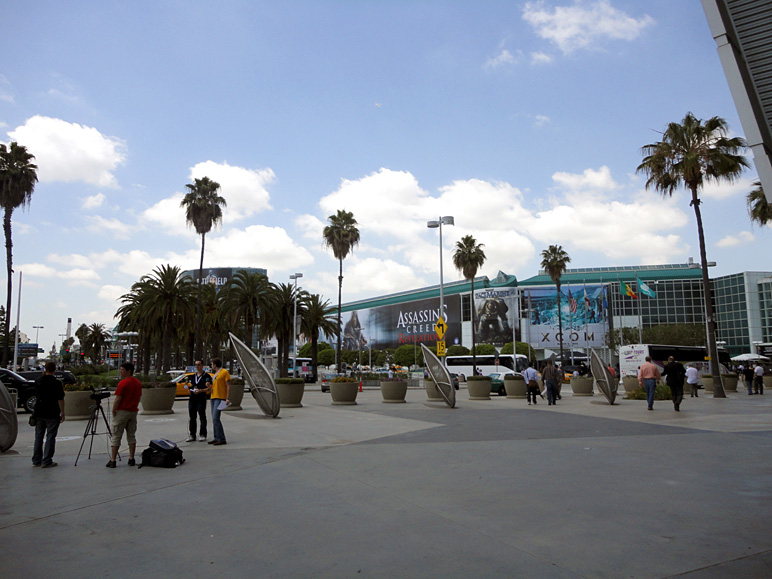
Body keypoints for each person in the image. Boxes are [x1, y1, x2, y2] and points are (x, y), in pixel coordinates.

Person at [107, 361, 142, 468]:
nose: (120, 371)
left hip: (122, 411)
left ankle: (113, 460)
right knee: (131, 436)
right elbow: (139, 397)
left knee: (116, 435)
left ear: (128, 371)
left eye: (122, 369)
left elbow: (118, 398)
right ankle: (131, 458)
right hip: (133, 411)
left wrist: (114, 410)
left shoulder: (123, 383)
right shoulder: (137, 383)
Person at [31, 361, 65, 468]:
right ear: (55, 369)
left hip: (39, 411)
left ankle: (36, 459)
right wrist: (62, 412)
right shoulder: (57, 383)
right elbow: (60, 398)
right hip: (52, 411)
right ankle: (47, 460)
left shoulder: (38, 381)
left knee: (38, 436)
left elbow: (36, 395)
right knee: (50, 436)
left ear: (45, 369)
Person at [206, 357, 230, 446]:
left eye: (212, 364)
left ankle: (221, 438)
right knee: (214, 418)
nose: (211, 365)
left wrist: (227, 398)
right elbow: (216, 386)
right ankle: (216, 437)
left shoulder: (224, 372)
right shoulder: (215, 374)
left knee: (216, 418)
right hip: (213, 396)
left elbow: (228, 385)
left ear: (215, 364)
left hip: (220, 397)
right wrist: (209, 386)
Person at [187, 359, 212, 442]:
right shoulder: (193, 376)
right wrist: (189, 390)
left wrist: (201, 390)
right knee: (192, 417)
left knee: (202, 416)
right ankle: (192, 434)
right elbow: (190, 385)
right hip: (192, 398)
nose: (197, 366)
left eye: (198, 365)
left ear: (202, 366)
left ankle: (203, 434)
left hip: (201, 398)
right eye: (196, 365)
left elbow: (209, 388)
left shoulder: (207, 376)